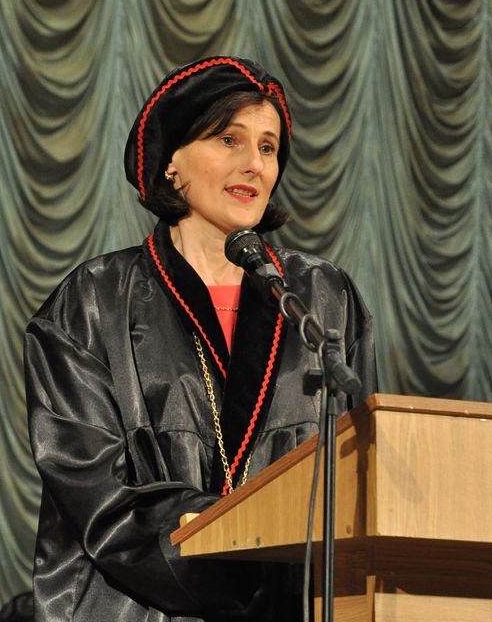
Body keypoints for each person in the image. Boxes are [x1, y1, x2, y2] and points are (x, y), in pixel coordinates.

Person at [25, 56, 376, 621]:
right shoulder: (93, 302)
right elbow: (97, 499)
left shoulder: (323, 298)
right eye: (228, 139)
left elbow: (362, 477)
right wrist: (252, 545)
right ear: (170, 161)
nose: (254, 164)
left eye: (268, 147)